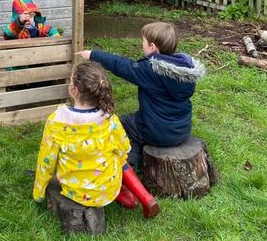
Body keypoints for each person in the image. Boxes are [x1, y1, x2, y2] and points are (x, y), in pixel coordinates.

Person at [32, 61, 159, 218]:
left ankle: (124, 194)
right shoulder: (109, 118)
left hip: (75, 192)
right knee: (119, 159)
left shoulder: (56, 121)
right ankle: (137, 196)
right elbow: (124, 148)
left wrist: (38, 194)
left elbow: (46, 162)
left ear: (74, 90)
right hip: (107, 188)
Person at [77, 21, 206, 169]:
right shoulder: (184, 69)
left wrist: (93, 54)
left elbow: (123, 65)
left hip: (157, 132)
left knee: (122, 124)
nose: (141, 45)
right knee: (138, 118)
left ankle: (132, 164)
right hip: (181, 129)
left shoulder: (151, 70)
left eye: (143, 42)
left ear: (152, 47)